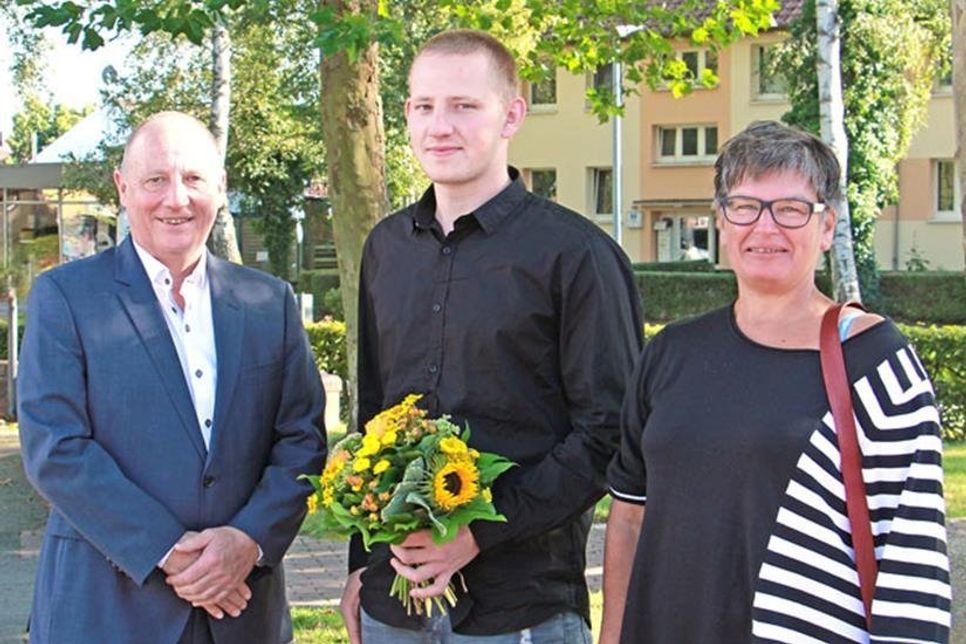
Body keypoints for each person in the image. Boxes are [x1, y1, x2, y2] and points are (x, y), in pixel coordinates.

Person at [341, 29, 643, 643]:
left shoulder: (576, 255)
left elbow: (608, 434)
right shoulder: (386, 248)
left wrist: (477, 532)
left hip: (520, 607)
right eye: (424, 106)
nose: (440, 126)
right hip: (392, 605)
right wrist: (358, 565)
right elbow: (371, 415)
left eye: (464, 106)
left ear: (512, 115)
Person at [601, 121, 950, 643]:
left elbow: (911, 555)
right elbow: (629, 519)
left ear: (827, 226)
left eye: (790, 209)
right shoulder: (671, 353)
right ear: (721, 220)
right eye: (744, 206)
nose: (765, 228)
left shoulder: (875, 362)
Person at [17, 111, 327, 644]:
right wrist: (173, 552)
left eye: (194, 179)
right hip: (107, 611)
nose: (176, 199)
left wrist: (246, 542)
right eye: (155, 179)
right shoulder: (66, 297)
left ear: (220, 187)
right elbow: (55, 447)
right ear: (122, 187)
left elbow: (301, 441)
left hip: (242, 612)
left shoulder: (266, 301)